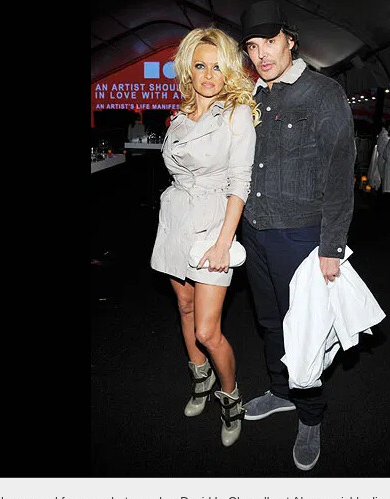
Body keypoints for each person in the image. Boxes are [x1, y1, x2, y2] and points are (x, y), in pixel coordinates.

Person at [238, 0, 356, 471]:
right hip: (255, 230)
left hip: (301, 235)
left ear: (290, 39)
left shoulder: (323, 93)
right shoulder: (251, 97)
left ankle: (311, 417)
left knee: (304, 331)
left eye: (270, 42)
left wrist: (331, 246)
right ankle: (281, 391)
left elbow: (340, 172)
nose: (261, 54)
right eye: (252, 46)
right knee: (270, 323)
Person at [149, 27, 259, 447]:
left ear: (228, 70)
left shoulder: (235, 114)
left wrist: (222, 243)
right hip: (176, 219)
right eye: (201, 66)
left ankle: (231, 398)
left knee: (207, 331)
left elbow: (240, 182)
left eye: (217, 67)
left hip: (215, 223)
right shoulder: (179, 116)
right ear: (188, 70)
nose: (209, 75)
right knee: (184, 306)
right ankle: (200, 381)